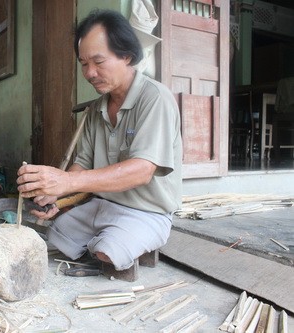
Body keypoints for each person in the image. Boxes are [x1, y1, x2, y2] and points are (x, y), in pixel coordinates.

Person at [17, 9, 182, 272]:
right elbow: (82, 163)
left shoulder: (155, 99)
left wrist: (67, 181)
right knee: (56, 234)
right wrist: (57, 195)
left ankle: (114, 242)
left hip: (147, 211)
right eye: (84, 63)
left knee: (108, 252)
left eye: (98, 61)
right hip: (103, 205)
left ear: (126, 55)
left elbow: (142, 170)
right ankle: (99, 238)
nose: (90, 73)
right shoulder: (96, 109)